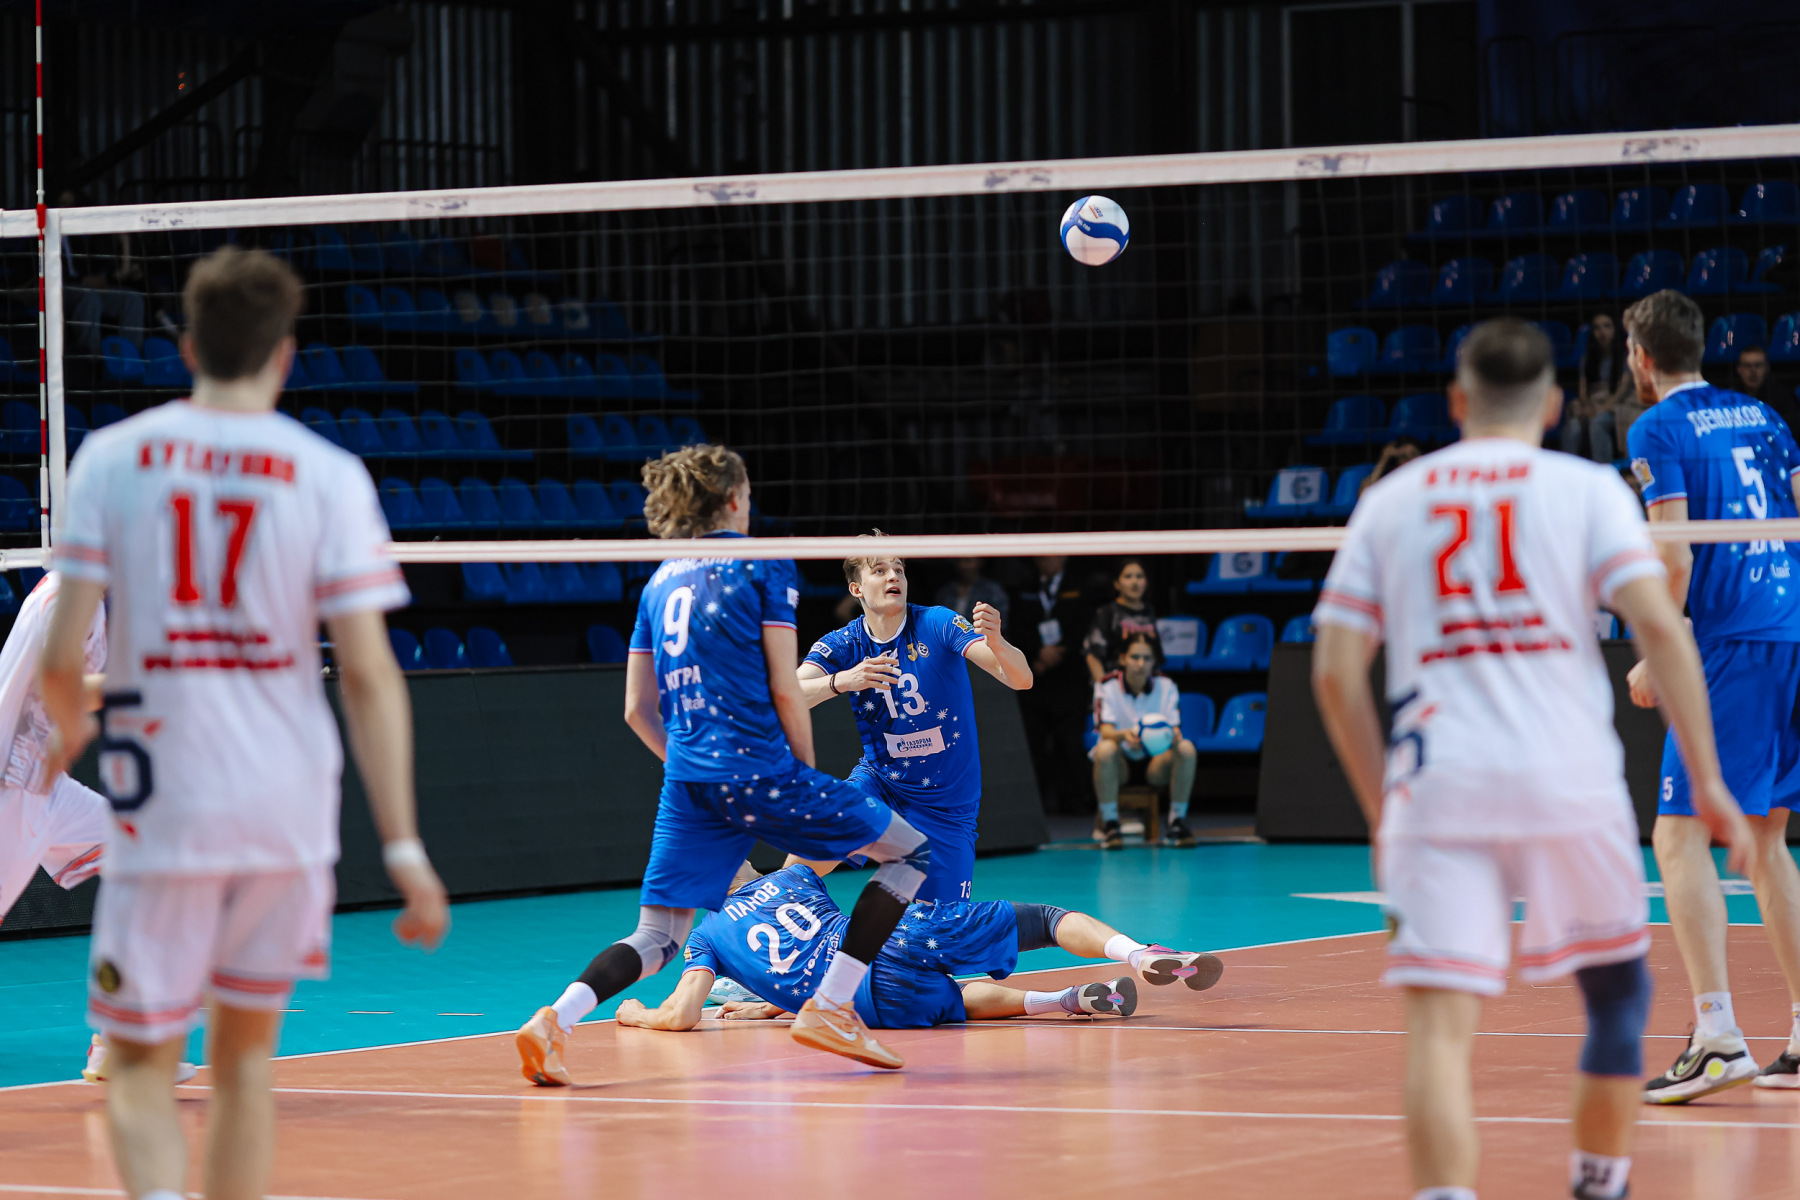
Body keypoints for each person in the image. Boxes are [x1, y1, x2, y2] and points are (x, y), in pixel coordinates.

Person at [41, 246, 449, 1200]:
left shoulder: (112, 459)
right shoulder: (328, 474)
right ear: (286, 355)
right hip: (284, 808)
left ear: (186, 347)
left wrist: (71, 735)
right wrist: (403, 846)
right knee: (242, 1065)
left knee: (137, 1065)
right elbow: (370, 675)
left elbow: (61, 660)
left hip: (165, 799)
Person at [1312, 317, 1750, 1200]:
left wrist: (1382, 811)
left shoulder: (1394, 499)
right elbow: (1662, 629)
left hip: (1439, 786)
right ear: (1553, 405)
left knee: (1440, 1029)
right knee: (1617, 1002)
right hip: (1568, 781)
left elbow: (1332, 671)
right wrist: (1708, 780)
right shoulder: (1587, 490)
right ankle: (1599, 1185)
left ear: (1456, 401)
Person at [515, 446, 936, 1085]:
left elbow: (636, 710)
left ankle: (554, 1021)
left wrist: (691, 768)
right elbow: (785, 687)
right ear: (734, 498)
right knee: (909, 854)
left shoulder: (658, 582)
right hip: (761, 768)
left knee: (658, 937)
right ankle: (831, 1006)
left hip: (688, 780)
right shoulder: (762, 562)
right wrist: (803, 776)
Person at [1620, 289, 1800, 1101]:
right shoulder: (1764, 415)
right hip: (1790, 630)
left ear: (1641, 357)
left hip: (1733, 641)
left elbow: (1676, 553)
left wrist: (1659, 653)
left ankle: (1718, 1036)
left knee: (1677, 834)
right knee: (1766, 840)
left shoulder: (1656, 428)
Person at [615, 861, 1223, 1033]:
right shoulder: (793, 876)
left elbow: (685, 1013)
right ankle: (1139, 954)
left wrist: (638, 1013)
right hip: (888, 938)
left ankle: (1066, 1000)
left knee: (952, 1001)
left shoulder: (706, 937)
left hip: (868, 1004)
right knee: (1043, 919)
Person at [796, 534, 1033, 902]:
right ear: (856, 589)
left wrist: (998, 641)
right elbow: (789, 694)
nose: (894, 576)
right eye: (880, 570)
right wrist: (843, 681)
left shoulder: (938, 622)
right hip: (882, 782)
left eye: (899, 568)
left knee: (938, 926)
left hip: (946, 804)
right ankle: (767, 911)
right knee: (813, 846)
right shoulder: (844, 643)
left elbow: (1021, 679)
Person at [1091, 633, 1197, 848]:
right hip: (1120, 763)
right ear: (1123, 659)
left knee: (1186, 748)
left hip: (1156, 764)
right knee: (1105, 749)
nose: (1141, 664)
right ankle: (1111, 824)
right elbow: (1105, 730)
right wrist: (1126, 735)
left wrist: (1172, 735)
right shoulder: (1107, 685)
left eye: (1147, 658)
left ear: (1154, 661)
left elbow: (1175, 729)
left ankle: (1177, 821)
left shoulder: (1166, 685)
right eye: (1135, 657)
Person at [1012, 556, 1096, 816]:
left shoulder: (1080, 586)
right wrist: (1036, 655)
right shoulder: (1024, 588)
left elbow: (1084, 626)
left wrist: (1061, 652)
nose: (1046, 559)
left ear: (1063, 556)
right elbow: (1016, 627)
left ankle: (1074, 802)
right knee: (1033, 742)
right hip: (1034, 677)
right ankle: (1036, 804)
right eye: (1041, 555)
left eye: (1051, 554)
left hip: (1069, 678)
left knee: (1069, 743)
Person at [1561, 312, 1631, 462]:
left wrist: (1600, 409)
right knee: (1573, 426)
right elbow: (1583, 391)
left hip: (1617, 406)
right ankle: (1570, 468)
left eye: (1607, 326)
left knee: (1598, 422)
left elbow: (1621, 392)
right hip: (1593, 404)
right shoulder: (1586, 359)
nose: (1602, 332)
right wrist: (1587, 407)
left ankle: (1603, 468)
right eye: (1597, 328)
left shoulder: (1625, 358)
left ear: (1615, 330)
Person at [1083, 558, 1160, 683]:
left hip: (1144, 687)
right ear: (1117, 584)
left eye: (1139, 576)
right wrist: (1104, 687)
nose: (1134, 582)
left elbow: (1156, 655)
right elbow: (1093, 655)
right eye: (1128, 576)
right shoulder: (1107, 613)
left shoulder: (1149, 611)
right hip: (1114, 685)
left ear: (1146, 582)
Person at [934, 557, 1010, 627]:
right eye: (959, 561)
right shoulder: (946, 591)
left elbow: (1000, 624)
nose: (962, 565)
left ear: (980, 562)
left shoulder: (992, 590)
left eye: (967, 561)